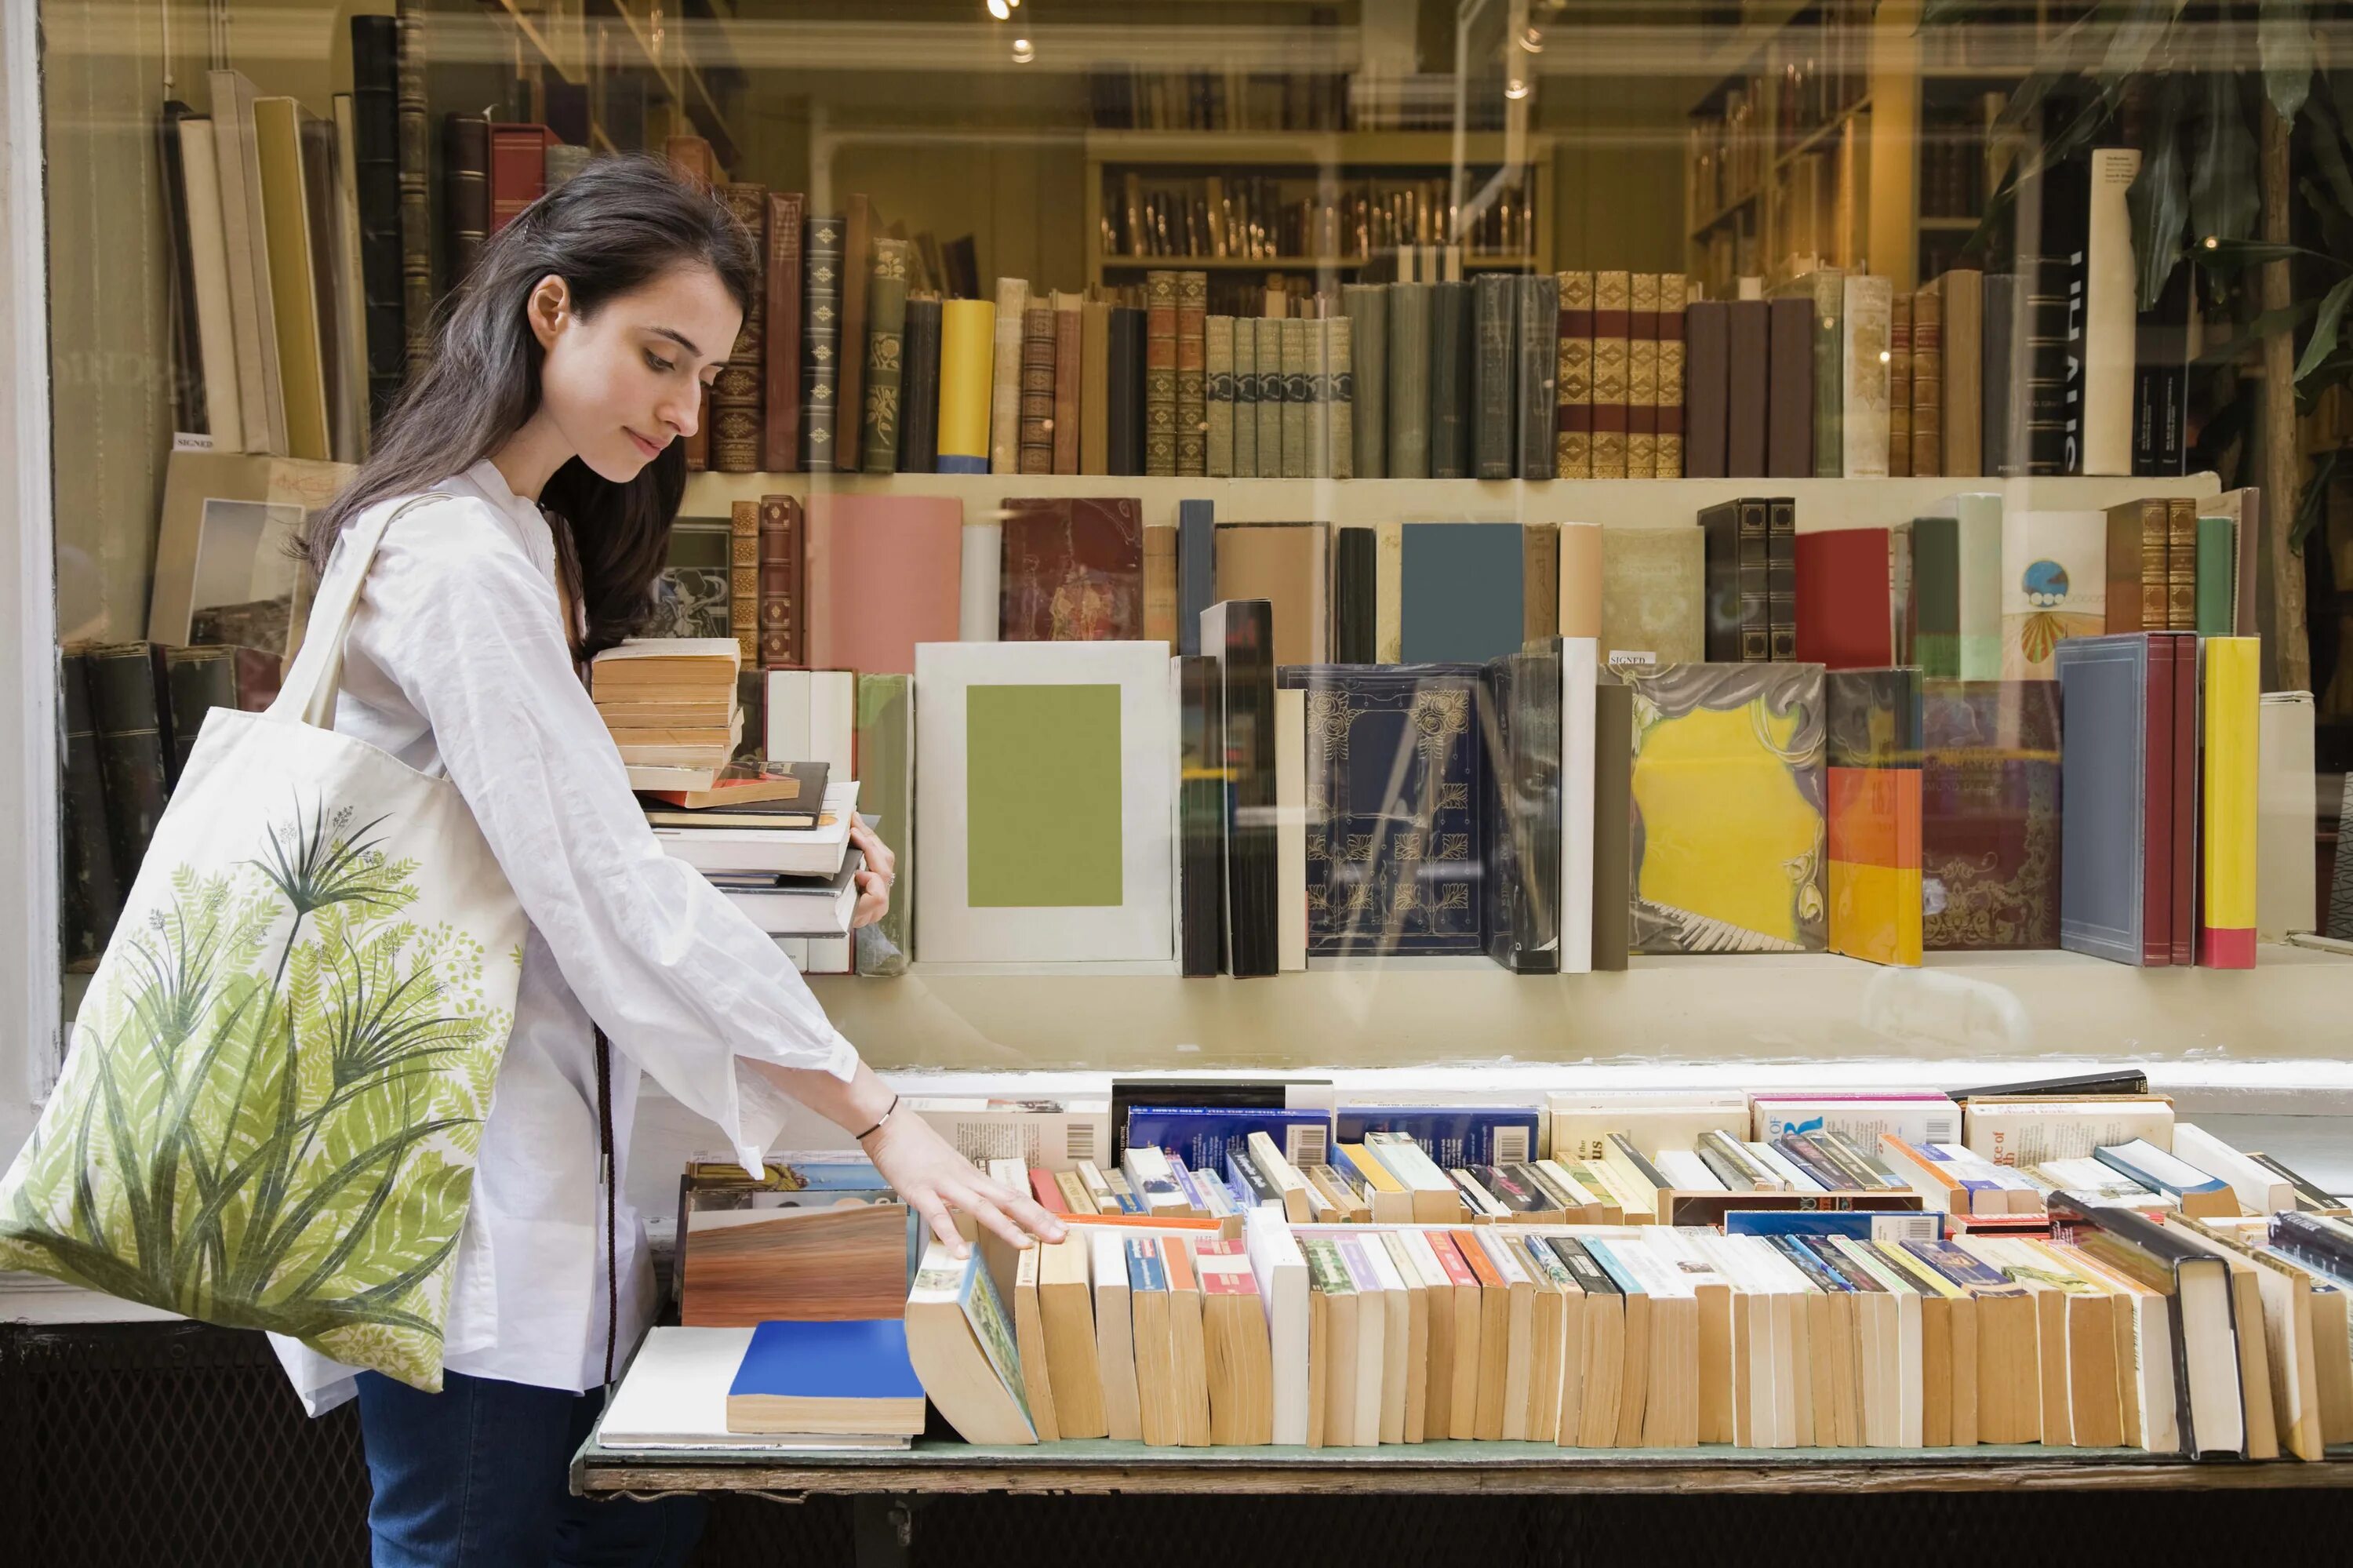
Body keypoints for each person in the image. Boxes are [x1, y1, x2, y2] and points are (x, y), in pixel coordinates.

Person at [274, 156, 1066, 1567]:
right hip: (472, 1237)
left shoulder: (524, 540)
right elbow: (597, 888)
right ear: (549, 310)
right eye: (659, 356)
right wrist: (878, 1117)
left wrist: (801, 858)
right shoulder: (450, 561)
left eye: (704, 375)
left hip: (564, 1233)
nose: (684, 410)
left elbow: (553, 834)